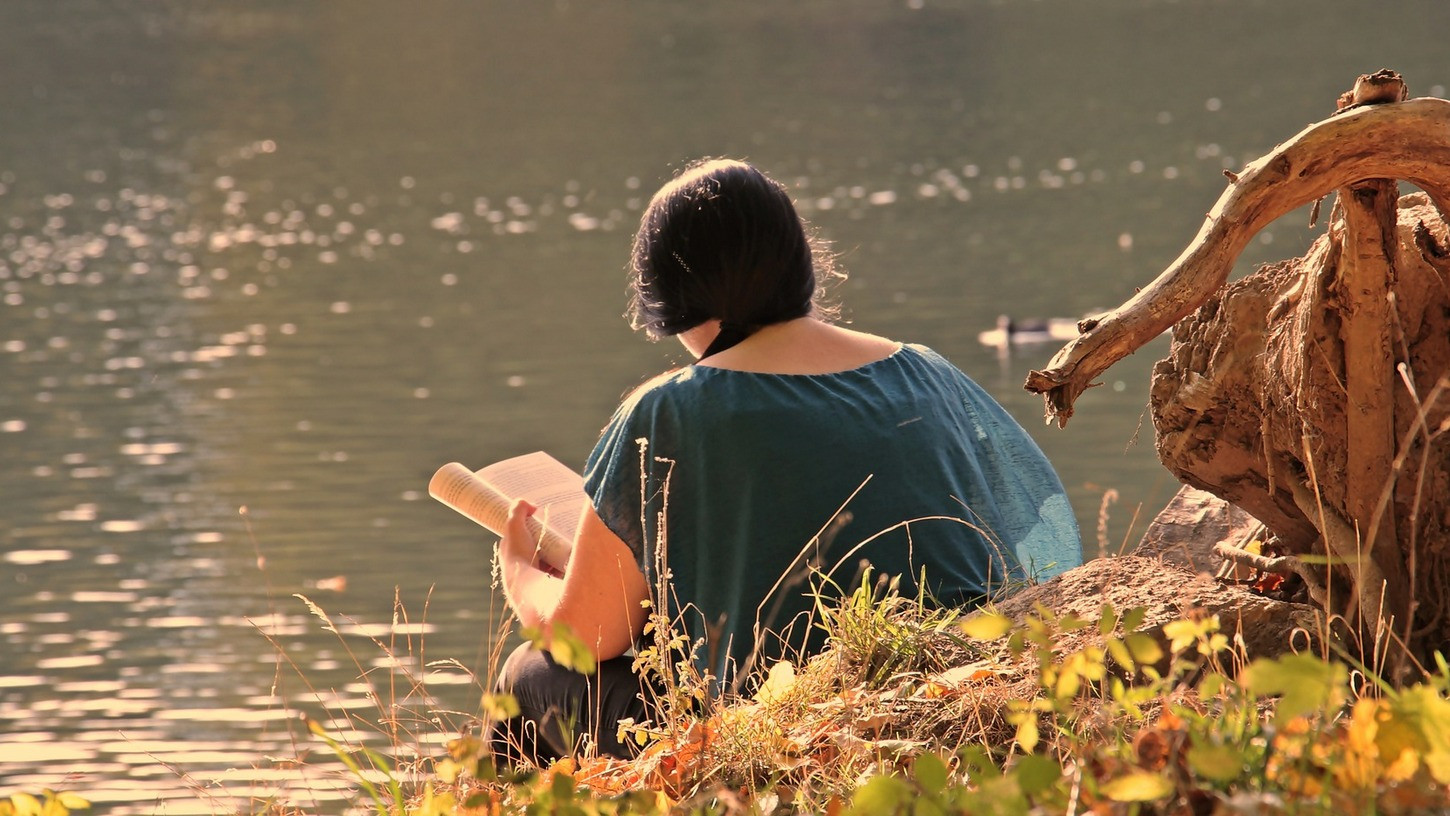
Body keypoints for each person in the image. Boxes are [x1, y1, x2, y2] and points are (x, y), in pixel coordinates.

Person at [486, 158, 1081, 765]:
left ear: (674, 293)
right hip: (953, 699)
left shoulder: (670, 410)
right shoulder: (926, 371)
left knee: (525, 673)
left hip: (779, 729)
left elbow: (585, 638)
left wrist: (520, 573)